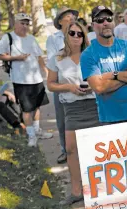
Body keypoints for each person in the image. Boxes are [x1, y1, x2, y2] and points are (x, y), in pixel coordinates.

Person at [47, 22, 99, 206]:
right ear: (66, 35)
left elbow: (103, 78)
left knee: (96, 148)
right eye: (72, 33)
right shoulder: (57, 58)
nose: (76, 37)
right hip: (72, 108)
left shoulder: (92, 54)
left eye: (80, 34)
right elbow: (51, 84)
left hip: (95, 105)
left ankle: (97, 189)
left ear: (84, 36)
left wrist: (94, 86)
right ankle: (76, 191)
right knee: (71, 149)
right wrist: (69, 87)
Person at [80, 6, 127, 124]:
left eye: (108, 19)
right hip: (110, 118)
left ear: (114, 22)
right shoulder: (88, 54)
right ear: (93, 25)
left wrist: (114, 75)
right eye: (100, 20)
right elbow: (99, 87)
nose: (105, 23)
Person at [0, 13, 52, 147]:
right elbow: (1, 55)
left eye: (27, 24)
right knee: (27, 109)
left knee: (37, 106)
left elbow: (39, 56)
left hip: (36, 79)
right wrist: (16, 58)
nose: (24, 26)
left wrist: (46, 71)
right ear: (16, 23)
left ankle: (37, 130)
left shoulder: (31, 38)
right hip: (20, 80)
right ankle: (31, 136)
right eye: (22, 23)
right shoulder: (8, 37)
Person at [46, 6, 78, 163]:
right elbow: (54, 60)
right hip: (61, 82)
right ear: (60, 21)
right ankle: (65, 150)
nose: (71, 17)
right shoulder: (53, 39)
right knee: (62, 119)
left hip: (80, 81)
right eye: (67, 16)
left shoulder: (80, 33)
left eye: (73, 15)